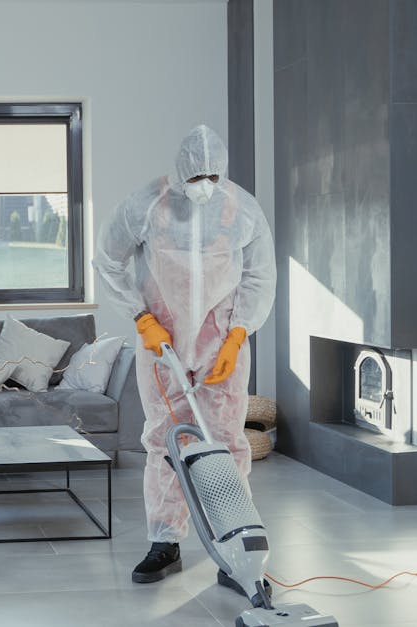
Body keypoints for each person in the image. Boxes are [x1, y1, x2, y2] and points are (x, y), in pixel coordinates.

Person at [93, 124, 276, 588]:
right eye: (197, 178)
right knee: (164, 440)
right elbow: (107, 259)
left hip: (221, 343)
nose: (205, 185)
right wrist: (141, 318)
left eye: (212, 176)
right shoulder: (148, 205)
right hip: (163, 344)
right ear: (179, 175)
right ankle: (165, 542)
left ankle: (233, 551)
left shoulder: (241, 209)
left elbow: (260, 276)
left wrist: (237, 336)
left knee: (228, 442)